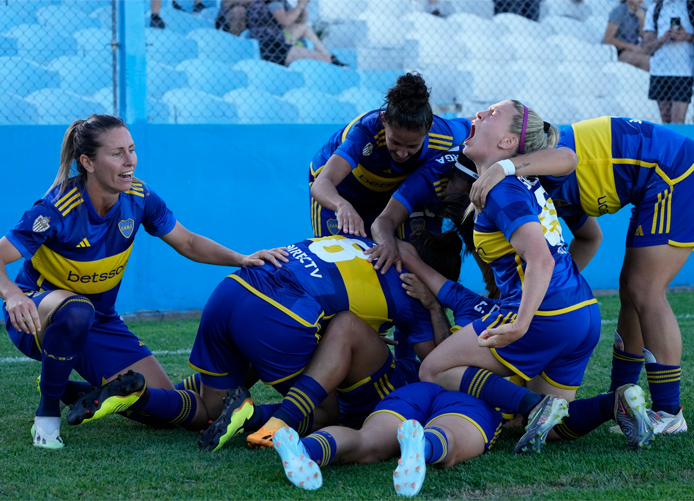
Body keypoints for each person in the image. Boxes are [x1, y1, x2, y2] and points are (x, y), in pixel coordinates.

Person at [0, 114, 288, 449]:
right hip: (38, 316)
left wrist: (241, 258)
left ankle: (73, 390)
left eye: (132, 150)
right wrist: (12, 295)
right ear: (87, 162)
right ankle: (47, 415)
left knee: (164, 406)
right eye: (117, 153)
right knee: (76, 310)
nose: (130, 161)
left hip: (99, 320)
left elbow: (188, 242)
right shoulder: (56, 209)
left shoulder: (140, 198)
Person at [407, 100, 653, 454]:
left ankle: (533, 405)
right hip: (582, 312)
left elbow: (541, 259)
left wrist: (522, 323)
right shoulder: (521, 178)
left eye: (491, 114)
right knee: (554, 426)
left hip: (542, 316)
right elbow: (568, 161)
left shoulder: (501, 190)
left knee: (432, 369)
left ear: (508, 142)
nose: (478, 115)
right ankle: (615, 403)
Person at [469, 115, 694, 435]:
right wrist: (554, 289)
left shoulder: (536, 166)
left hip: (674, 171)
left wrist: (503, 168)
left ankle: (670, 412)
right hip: (658, 177)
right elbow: (591, 237)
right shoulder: (536, 186)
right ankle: (622, 398)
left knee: (645, 291)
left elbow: (568, 156)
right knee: (631, 291)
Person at [191, 230, 465, 452]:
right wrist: (433, 306)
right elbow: (437, 366)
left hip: (234, 287)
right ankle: (260, 419)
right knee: (327, 409)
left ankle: (148, 400)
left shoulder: (361, 241)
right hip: (282, 312)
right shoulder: (413, 292)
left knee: (211, 407)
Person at [310, 73, 470, 267]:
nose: (402, 153)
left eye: (412, 146)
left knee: (417, 260)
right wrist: (341, 205)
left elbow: (480, 125)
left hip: (391, 194)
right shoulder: (365, 132)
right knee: (343, 265)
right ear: (384, 119)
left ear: (429, 127)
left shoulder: (445, 134)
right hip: (342, 192)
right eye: (394, 142)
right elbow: (321, 184)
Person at [271, 382, 503, 496]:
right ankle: (422, 445)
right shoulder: (519, 319)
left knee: (367, 441)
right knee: (449, 443)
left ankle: (305, 449)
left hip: (415, 389)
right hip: (474, 397)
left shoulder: (459, 300)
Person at [246, 0, 346, 66]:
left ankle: (330, 56)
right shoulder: (273, 1)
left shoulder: (282, 2)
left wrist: (302, 6)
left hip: (278, 43)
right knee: (324, 59)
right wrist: (300, 5)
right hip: (269, 45)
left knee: (304, 28)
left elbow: (301, 22)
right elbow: (284, 21)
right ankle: (331, 58)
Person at [642, 0, 694, 124]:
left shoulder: (690, 7)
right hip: (660, 71)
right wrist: (663, 39)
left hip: (684, 72)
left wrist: (685, 36)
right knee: (665, 119)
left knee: (678, 120)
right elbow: (647, 47)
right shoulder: (655, 9)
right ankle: (668, 144)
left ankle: (680, 144)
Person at [604, 0, 651, 72]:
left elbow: (646, 39)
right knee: (648, 61)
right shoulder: (620, 11)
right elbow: (608, 39)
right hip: (618, 51)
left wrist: (642, 20)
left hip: (636, 49)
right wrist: (631, 47)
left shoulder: (645, 12)